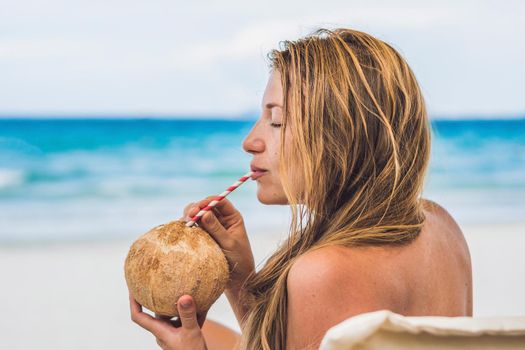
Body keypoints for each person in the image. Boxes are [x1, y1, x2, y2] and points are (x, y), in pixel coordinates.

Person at [128, 27, 473, 350]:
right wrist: (240, 280)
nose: (250, 142)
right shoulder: (440, 223)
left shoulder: (325, 271)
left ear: (340, 135)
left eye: (276, 121)